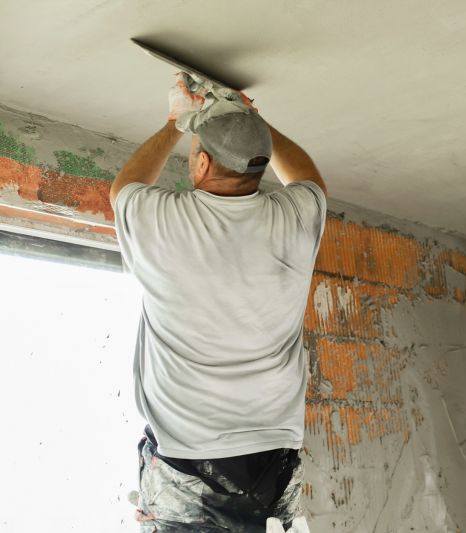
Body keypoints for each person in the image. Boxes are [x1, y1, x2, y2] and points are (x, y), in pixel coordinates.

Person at [110, 73, 327, 532]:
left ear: (203, 163)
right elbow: (306, 177)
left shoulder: (169, 220)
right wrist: (251, 122)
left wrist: (177, 120)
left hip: (214, 458)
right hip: (263, 446)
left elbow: (123, 187)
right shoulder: (295, 219)